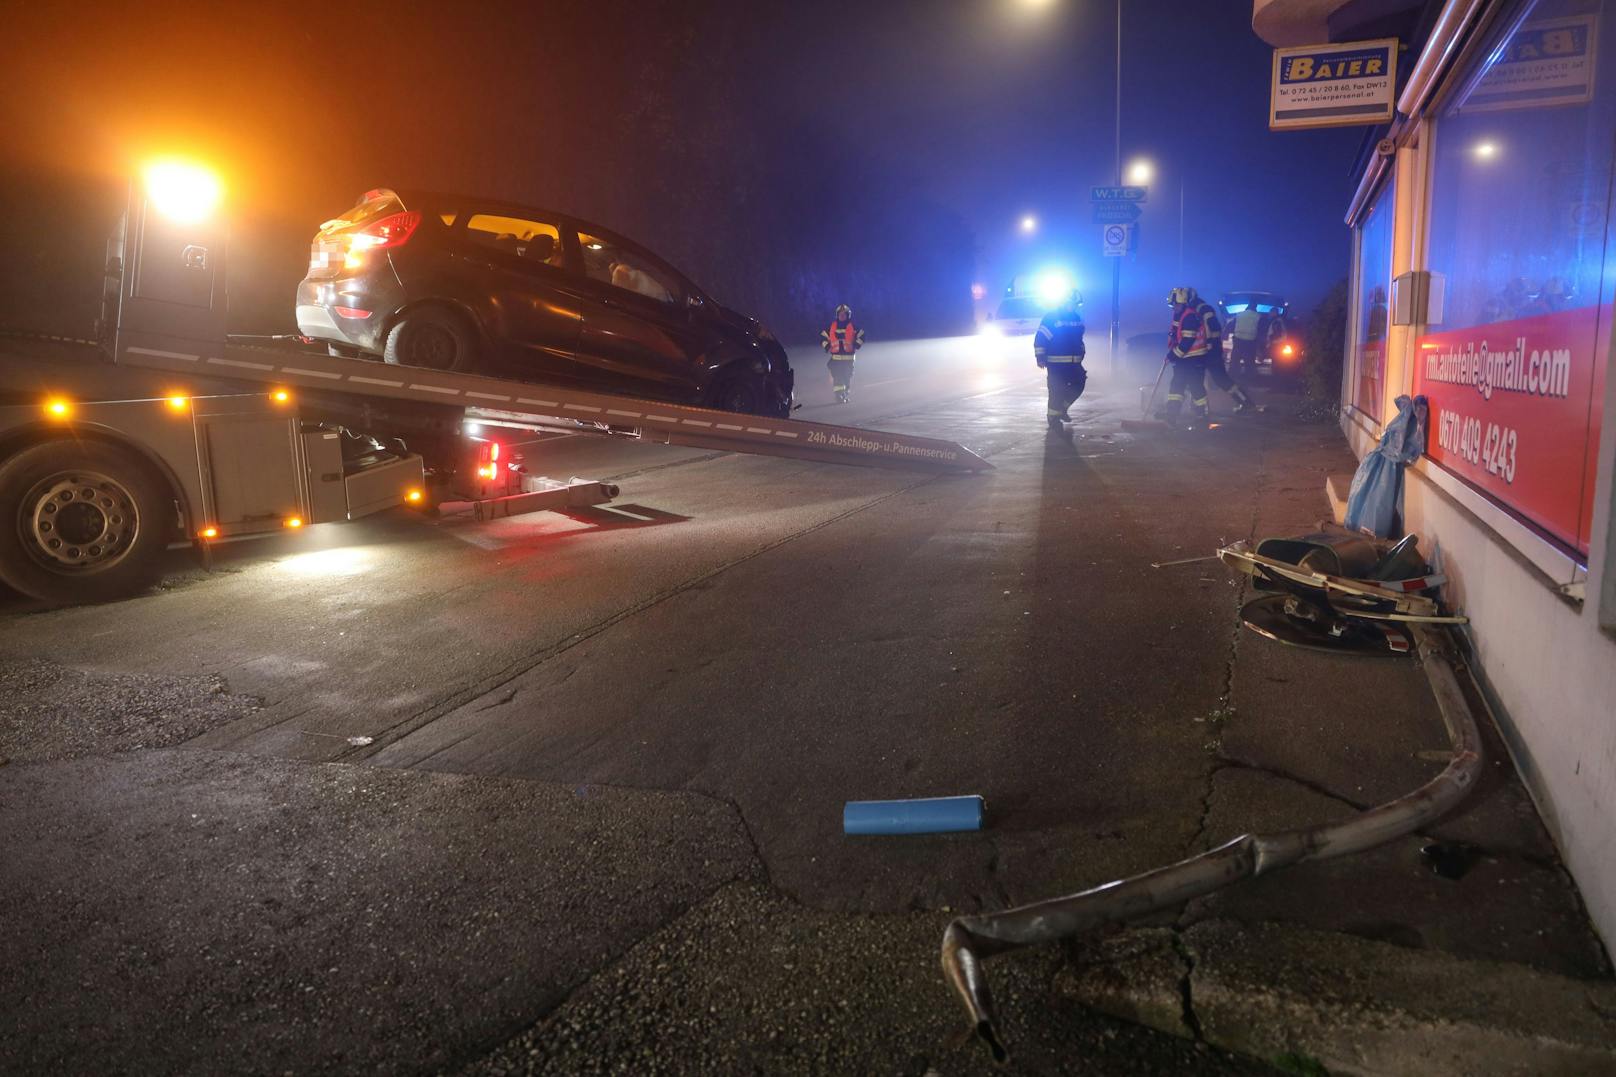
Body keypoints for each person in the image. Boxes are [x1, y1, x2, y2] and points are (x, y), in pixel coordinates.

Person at [1157, 286, 1252, 421]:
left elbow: (1214, 329)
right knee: (1190, 380)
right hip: (1195, 352)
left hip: (1210, 351)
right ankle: (1187, 410)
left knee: (1219, 379)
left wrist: (1210, 345)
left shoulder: (1203, 309)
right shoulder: (1186, 311)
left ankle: (1245, 402)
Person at [1034, 289, 1086, 428]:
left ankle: (1062, 409)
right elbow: (1041, 338)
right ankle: (1053, 417)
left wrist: (1081, 352)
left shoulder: (1076, 318)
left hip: (1074, 363)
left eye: (1076, 304)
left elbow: (1079, 339)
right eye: (1072, 304)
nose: (1074, 307)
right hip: (1056, 363)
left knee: (1079, 384)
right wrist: (1040, 357)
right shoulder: (1051, 318)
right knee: (1056, 390)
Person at [821, 303, 864, 403]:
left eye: (844, 314)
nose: (842, 316)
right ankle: (839, 395)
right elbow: (823, 336)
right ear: (837, 315)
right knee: (838, 377)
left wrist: (856, 345)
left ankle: (844, 394)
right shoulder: (832, 326)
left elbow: (862, 335)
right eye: (840, 314)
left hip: (848, 359)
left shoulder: (853, 326)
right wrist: (827, 346)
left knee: (847, 377)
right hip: (836, 359)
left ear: (848, 315)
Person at [1229, 303, 1263, 376]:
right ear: (1255, 308)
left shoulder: (1239, 314)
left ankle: (1234, 374)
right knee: (1249, 360)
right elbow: (1260, 329)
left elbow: (1231, 326)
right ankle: (1249, 375)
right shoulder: (1258, 316)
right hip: (1250, 341)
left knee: (1235, 359)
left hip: (1238, 339)